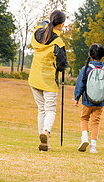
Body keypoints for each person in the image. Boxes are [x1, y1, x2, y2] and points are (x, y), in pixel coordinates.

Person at [28, 10, 68, 151]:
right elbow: (62, 65)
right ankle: (46, 132)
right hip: (48, 80)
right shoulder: (58, 42)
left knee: (41, 110)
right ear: (62, 25)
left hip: (34, 78)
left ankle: (44, 142)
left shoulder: (37, 34)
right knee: (50, 109)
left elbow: (41, 25)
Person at [74, 43, 104, 154]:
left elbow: (80, 85)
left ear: (90, 54)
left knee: (84, 118)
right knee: (95, 122)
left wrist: (76, 97)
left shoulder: (86, 68)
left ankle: (84, 138)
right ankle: (93, 146)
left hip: (87, 101)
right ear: (103, 55)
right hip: (100, 102)